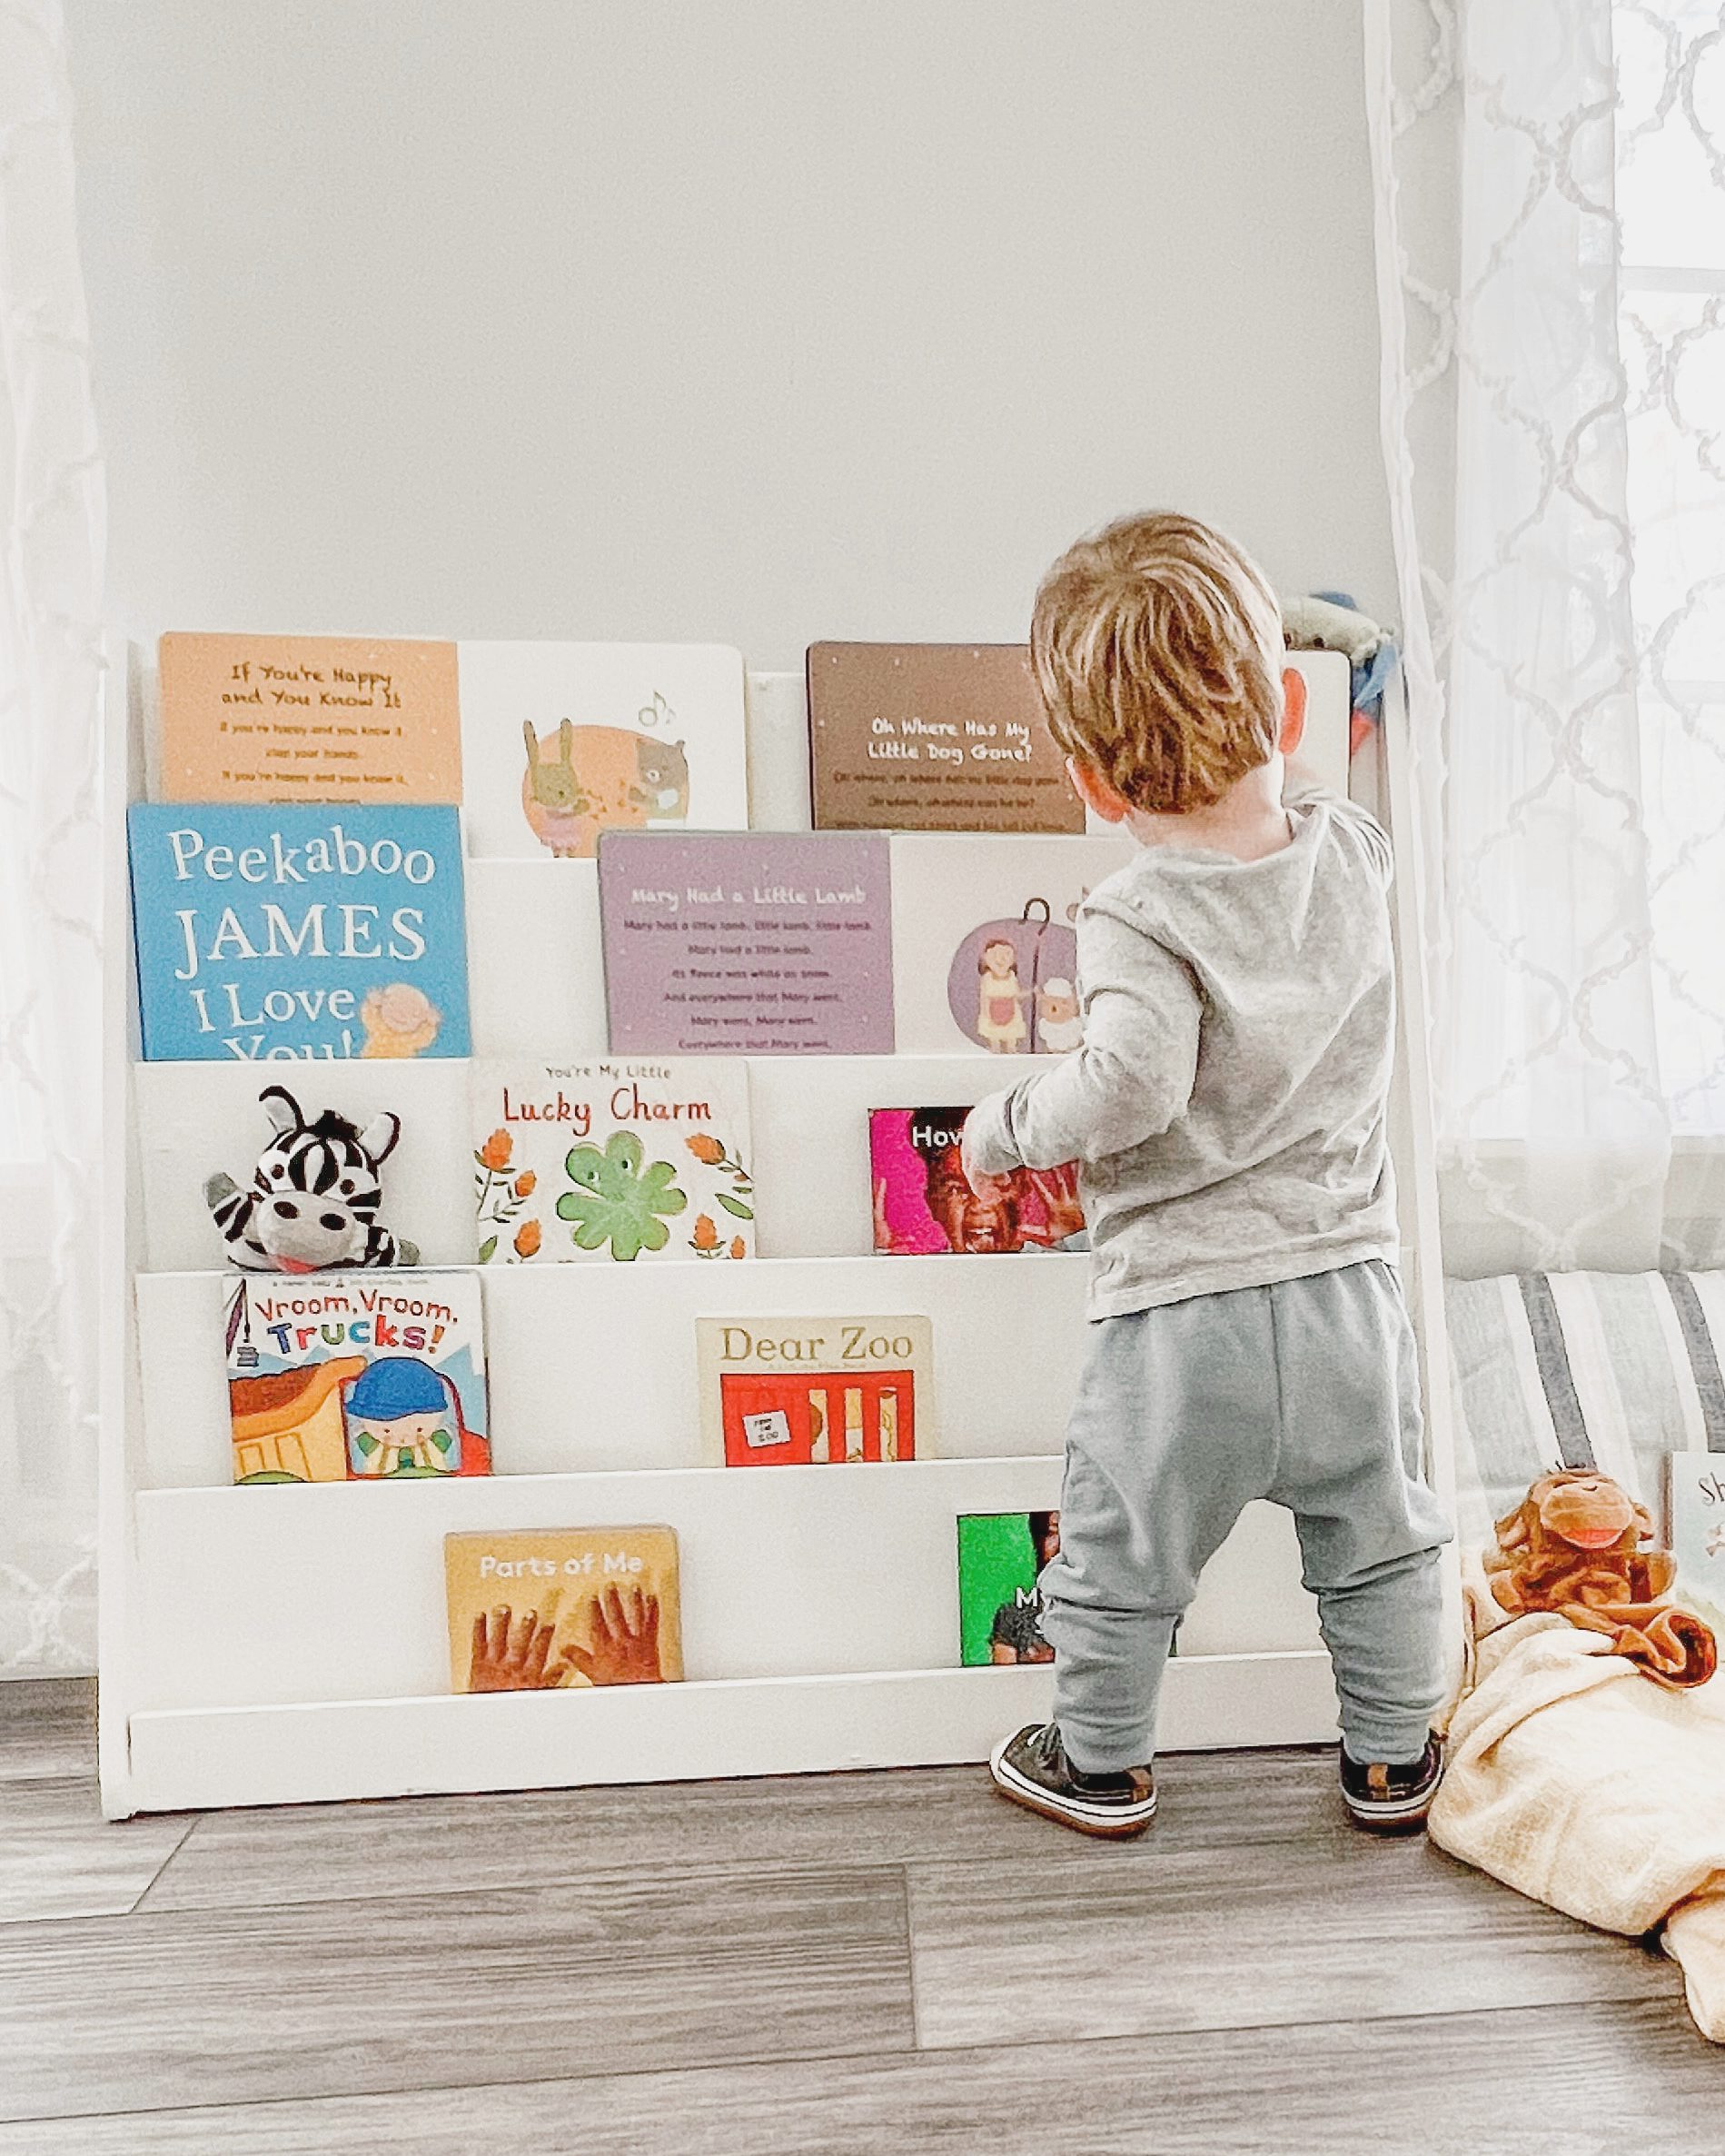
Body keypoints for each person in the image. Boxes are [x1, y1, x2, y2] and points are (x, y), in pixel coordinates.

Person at [964, 512, 1452, 1839]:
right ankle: (1392, 1757)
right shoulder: (1352, 852)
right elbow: (1303, 769)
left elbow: (1131, 1081)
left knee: (1124, 1552)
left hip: (1184, 1318)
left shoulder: (1136, 910)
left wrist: (1004, 1125)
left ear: (1093, 782)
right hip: (1350, 1293)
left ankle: (1103, 1759)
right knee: (1382, 1536)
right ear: (1276, 696)